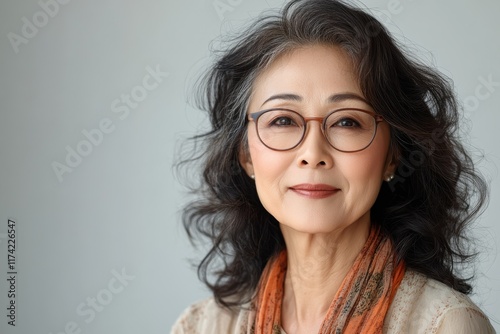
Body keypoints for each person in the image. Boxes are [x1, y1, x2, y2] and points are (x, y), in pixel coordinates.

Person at [171, 0, 495, 333]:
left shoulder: (447, 325)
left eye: (346, 122)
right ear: (246, 154)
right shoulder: (202, 326)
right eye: (282, 120)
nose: (313, 153)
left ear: (393, 156)